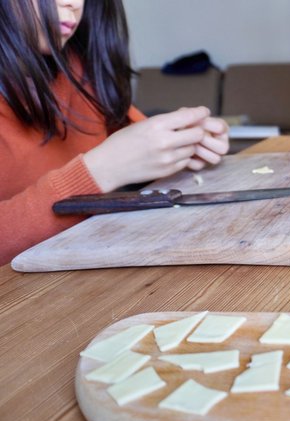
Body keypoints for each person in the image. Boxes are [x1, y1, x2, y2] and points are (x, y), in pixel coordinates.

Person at [0, 0, 230, 265]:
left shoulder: (79, 68)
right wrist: (96, 173)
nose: (73, 3)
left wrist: (187, 145)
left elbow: (140, 139)